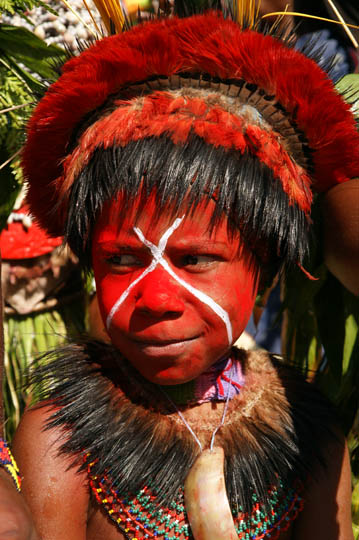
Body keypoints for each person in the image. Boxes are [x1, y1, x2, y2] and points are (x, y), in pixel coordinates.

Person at [12, 2, 359, 538]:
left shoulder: (311, 440)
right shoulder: (59, 437)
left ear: (264, 267)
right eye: (121, 259)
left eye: (194, 260)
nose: (155, 298)